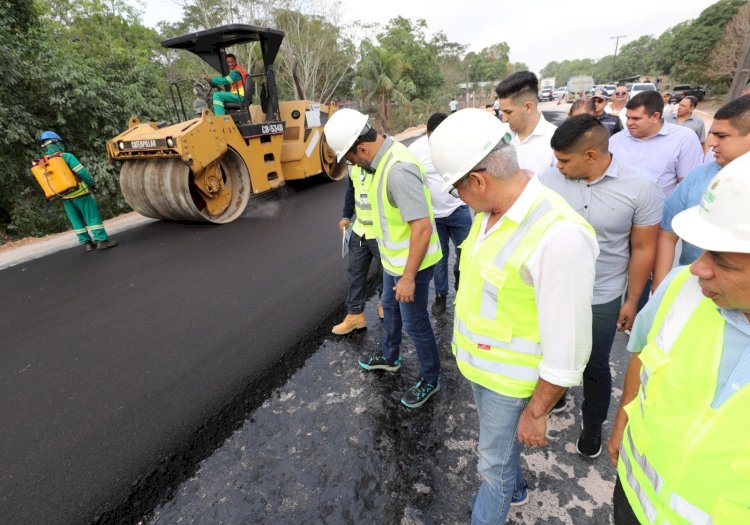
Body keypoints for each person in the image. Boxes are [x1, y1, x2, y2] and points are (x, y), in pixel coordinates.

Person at [429, 108, 598, 523]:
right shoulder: (488, 213)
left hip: (509, 383)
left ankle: (496, 500)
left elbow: (569, 347)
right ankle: (514, 489)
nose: (459, 199)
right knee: (499, 452)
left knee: (493, 465)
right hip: (481, 370)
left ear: (479, 181)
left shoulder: (559, 236)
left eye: (457, 190)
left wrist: (537, 412)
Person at [607, 152, 750, 525]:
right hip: (632, 500)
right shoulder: (682, 286)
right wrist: (623, 420)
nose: (698, 268)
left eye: (722, 260)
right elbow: (641, 355)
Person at [539, 115, 662, 458]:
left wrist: (632, 300)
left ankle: (592, 426)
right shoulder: (548, 180)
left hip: (602, 295)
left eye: (564, 160)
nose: (557, 166)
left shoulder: (641, 189)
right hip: (555, 290)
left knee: (594, 365)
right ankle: (557, 394)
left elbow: (642, 248)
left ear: (591, 156)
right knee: (551, 351)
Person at [323, 109, 443, 408]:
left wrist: (408, 278)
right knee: (388, 309)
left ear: (361, 148)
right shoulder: (376, 163)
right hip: (394, 261)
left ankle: (430, 377)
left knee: (415, 323)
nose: (351, 164)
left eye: (350, 158)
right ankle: (390, 357)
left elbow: (422, 227)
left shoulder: (398, 170)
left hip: (412, 265)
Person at [653, 94, 750, 290]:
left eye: (721, 136)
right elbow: (668, 233)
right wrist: (661, 286)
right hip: (693, 289)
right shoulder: (697, 176)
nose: (711, 143)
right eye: (711, 134)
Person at [408, 113, 472, 315]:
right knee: (440, 257)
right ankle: (441, 296)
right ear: (427, 133)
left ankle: (462, 290)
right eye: (432, 138)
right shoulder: (416, 150)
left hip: (458, 209)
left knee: (466, 253)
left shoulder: (459, 145)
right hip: (434, 216)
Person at [609, 90, 703, 198]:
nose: (629, 123)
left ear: (655, 117)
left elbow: (689, 185)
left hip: (661, 213)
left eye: (636, 118)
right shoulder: (615, 140)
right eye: (628, 118)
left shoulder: (684, 139)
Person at [34, 131, 117, 251]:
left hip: (64, 196)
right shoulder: (66, 156)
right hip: (80, 193)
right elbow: (81, 172)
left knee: (76, 220)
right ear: (57, 143)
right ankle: (102, 241)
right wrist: (92, 184)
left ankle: (87, 243)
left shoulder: (42, 162)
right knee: (92, 216)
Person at [332, 163, 384, 335]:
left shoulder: (382, 162)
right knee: (355, 274)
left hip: (382, 232)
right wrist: (347, 215)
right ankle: (355, 316)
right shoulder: (352, 165)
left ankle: (385, 304)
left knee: (386, 273)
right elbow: (351, 190)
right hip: (360, 229)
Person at [495, 71, 558, 176]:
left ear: (528, 107)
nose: (504, 119)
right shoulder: (500, 135)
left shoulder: (556, 140)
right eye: (502, 112)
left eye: (508, 112)